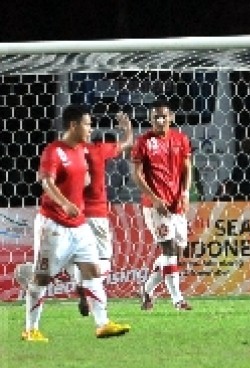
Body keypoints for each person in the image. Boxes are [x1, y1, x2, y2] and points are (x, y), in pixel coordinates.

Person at [22, 104, 131, 342]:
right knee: (42, 278)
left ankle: (102, 324)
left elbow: (84, 175)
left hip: (79, 225)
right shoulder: (54, 151)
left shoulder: (81, 149)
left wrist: (82, 184)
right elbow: (46, 183)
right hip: (53, 224)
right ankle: (30, 329)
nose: (91, 129)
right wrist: (64, 203)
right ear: (73, 125)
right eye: (87, 124)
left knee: (93, 271)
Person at [132, 100, 193, 311]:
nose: (160, 120)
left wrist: (185, 193)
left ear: (171, 117)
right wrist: (154, 199)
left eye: (163, 116)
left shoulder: (181, 139)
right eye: (155, 117)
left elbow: (187, 168)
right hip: (155, 206)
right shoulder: (143, 142)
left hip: (177, 204)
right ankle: (178, 300)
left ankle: (146, 289)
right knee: (168, 249)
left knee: (178, 253)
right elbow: (137, 174)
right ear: (150, 120)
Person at [73, 112, 134, 316]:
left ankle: (82, 287)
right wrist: (127, 128)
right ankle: (92, 290)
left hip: (76, 216)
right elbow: (127, 143)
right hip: (97, 215)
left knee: (80, 259)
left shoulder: (69, 153)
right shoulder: (98, 151)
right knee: (104, 259)